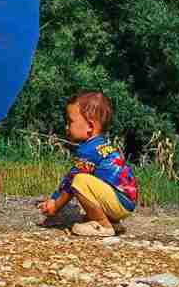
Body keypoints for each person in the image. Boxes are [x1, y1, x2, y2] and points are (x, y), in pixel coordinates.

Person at [37, 91, 138, 237]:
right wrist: (54, 198)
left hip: (119, 201)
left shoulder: (88, 151)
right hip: (124, 201)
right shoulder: (101, 145)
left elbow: (71, 181)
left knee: (80, 180)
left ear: (90, 126)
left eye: (70, 121)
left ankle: (102, 224)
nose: (66, 127)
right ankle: (111, 222)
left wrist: (56, 205)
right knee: (83, 180)